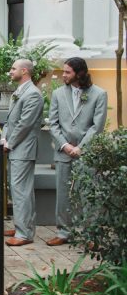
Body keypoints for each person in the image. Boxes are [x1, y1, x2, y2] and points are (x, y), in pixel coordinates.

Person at [46, 57, 107, 246]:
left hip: (86, 152)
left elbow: (97, 126)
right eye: (63, 71)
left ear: (79, 73)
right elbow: (53, 124)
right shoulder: (57, 93)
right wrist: (65, 145)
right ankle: (64, 232)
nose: (63, 75)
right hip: (63, 152)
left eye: (67, 72)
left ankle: (90, 234)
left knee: (87, 193)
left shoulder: (99, 94)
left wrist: (81, 147)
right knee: (63, 194)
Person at [1, 59, 44, 247]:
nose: (10, 71)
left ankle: (24, 233)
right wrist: (4, 137)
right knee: (17, 190)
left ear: (24, 71)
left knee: (21, 192)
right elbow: (11, 121)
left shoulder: (33, 94)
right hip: (15, 147)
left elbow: (25, 124)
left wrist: (10, 143)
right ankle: (22, 225)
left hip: (23, 148)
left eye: (13, 68)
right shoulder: (19, 92)